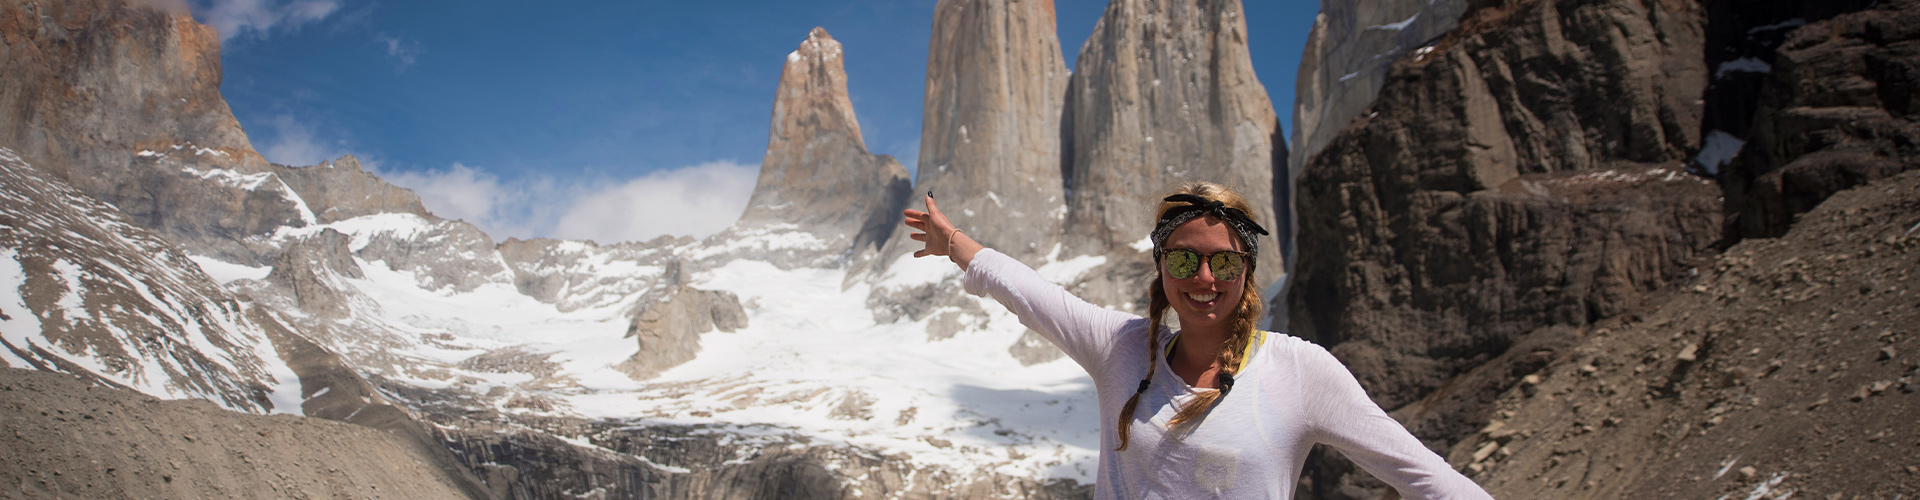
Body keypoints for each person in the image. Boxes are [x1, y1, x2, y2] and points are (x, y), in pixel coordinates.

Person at [904, 182, 1493, 499]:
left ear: (1248, 272)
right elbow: (1029, 293)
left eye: (1225, 263)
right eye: (1184, 260)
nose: (1204, 279)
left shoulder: (1299, 370)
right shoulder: (1121, 348)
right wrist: (954, 242)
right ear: (1161, 267)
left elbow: (1426, 478)